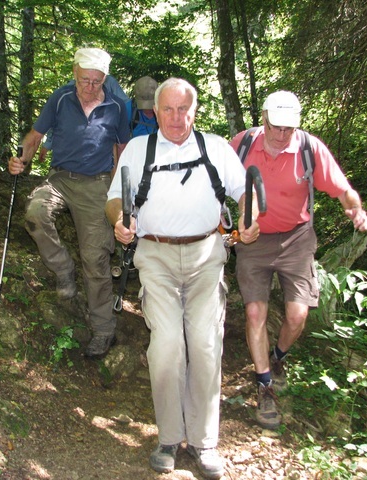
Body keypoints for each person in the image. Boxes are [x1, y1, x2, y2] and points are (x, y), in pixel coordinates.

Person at [105, 78, 259, 479]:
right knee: (167, 345)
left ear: (194, 111)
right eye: (167, 110)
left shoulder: (216, 148)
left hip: (208, 255)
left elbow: (245, 191)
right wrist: (121, 223)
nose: (176, 118)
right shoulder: (139, 149)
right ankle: (170, 437)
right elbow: (114, 199)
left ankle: (205, 442)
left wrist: (248, 217)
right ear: (155, 112)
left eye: (183, 109)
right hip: (155, 256)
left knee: (206, 344)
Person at [229, 90, 367, 430]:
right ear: (263, 119)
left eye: (288, 128)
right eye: (276, 127)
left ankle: (277, 359)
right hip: (253, 239)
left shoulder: (309, 148)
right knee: (253, 311)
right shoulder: (242, 144)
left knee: (297, 315)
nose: (281, 135)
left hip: (297, 237)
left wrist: (355, 208)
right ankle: (264, 385)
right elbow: (217, 183)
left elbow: (340, 188)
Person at [9, 47, 131, 358]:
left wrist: (115, 188)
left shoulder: (117, 105)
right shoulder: (60, 99)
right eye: (84, 80)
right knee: (35, 212)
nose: (90, 87)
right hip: (60, 177)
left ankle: (103, 330)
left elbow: (123, 147)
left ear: (105, 78)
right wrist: (21, 159)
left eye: (96, 81)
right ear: (75, 73)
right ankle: (62, 268)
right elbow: (35, 136)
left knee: (96, 258)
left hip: (98, 183)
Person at [38, 75, 131, 163]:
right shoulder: (67, 90)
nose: (90, 88)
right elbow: (56, 120)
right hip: (71, 151)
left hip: (105, 150)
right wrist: (48, 144)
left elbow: (126, 107)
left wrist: (120, 132)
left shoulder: (109, 82)